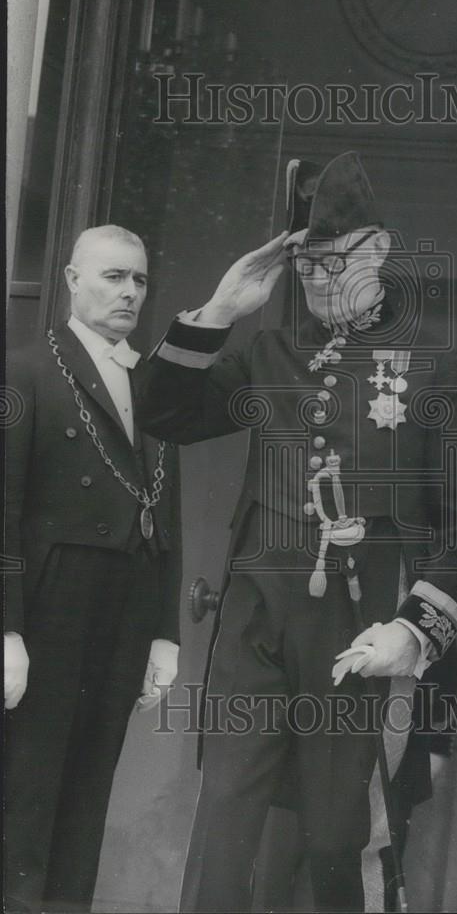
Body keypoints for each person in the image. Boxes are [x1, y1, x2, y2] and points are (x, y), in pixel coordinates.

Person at [136, 151, 457, 912]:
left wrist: (416, 633)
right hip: (257, 617)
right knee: (228, 816)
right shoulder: (271, 352)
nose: (322, 283)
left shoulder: (433, 366)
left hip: (357, 629)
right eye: (308, 269)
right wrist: (221, 309)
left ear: (380, 250)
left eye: (338, 263)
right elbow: (162, 415)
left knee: (339, 841)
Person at [4, 225, 182, 914]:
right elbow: (3, 508)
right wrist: (8, 630)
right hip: (50, 607)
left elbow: (167, 510)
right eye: (113, 276)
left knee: (89, 792)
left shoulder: (156, 386)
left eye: (139, 279)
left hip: (125, 609)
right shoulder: (25, 372)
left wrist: (165, 632)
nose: (129, 292)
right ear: (73, 280)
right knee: (29, 790)